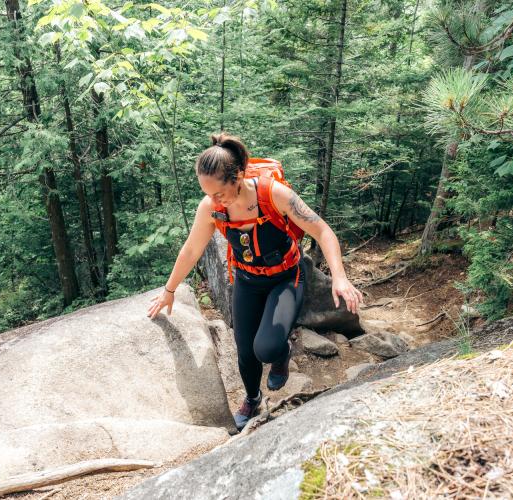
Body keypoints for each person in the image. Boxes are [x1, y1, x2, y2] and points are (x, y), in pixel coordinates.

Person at [147, 132, 363, 431]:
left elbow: (322, 231)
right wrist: (169, 290)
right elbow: (192, 249)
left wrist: (339, 277)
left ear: (238, 176)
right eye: (207, 194)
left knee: (267, 349)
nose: (214, 201)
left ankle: (283, 353)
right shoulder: (211, 207)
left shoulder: (274, 195)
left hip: (286, 277)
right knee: (245, 351)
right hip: (248, 280)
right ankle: (252, 398)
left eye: (219, 193)